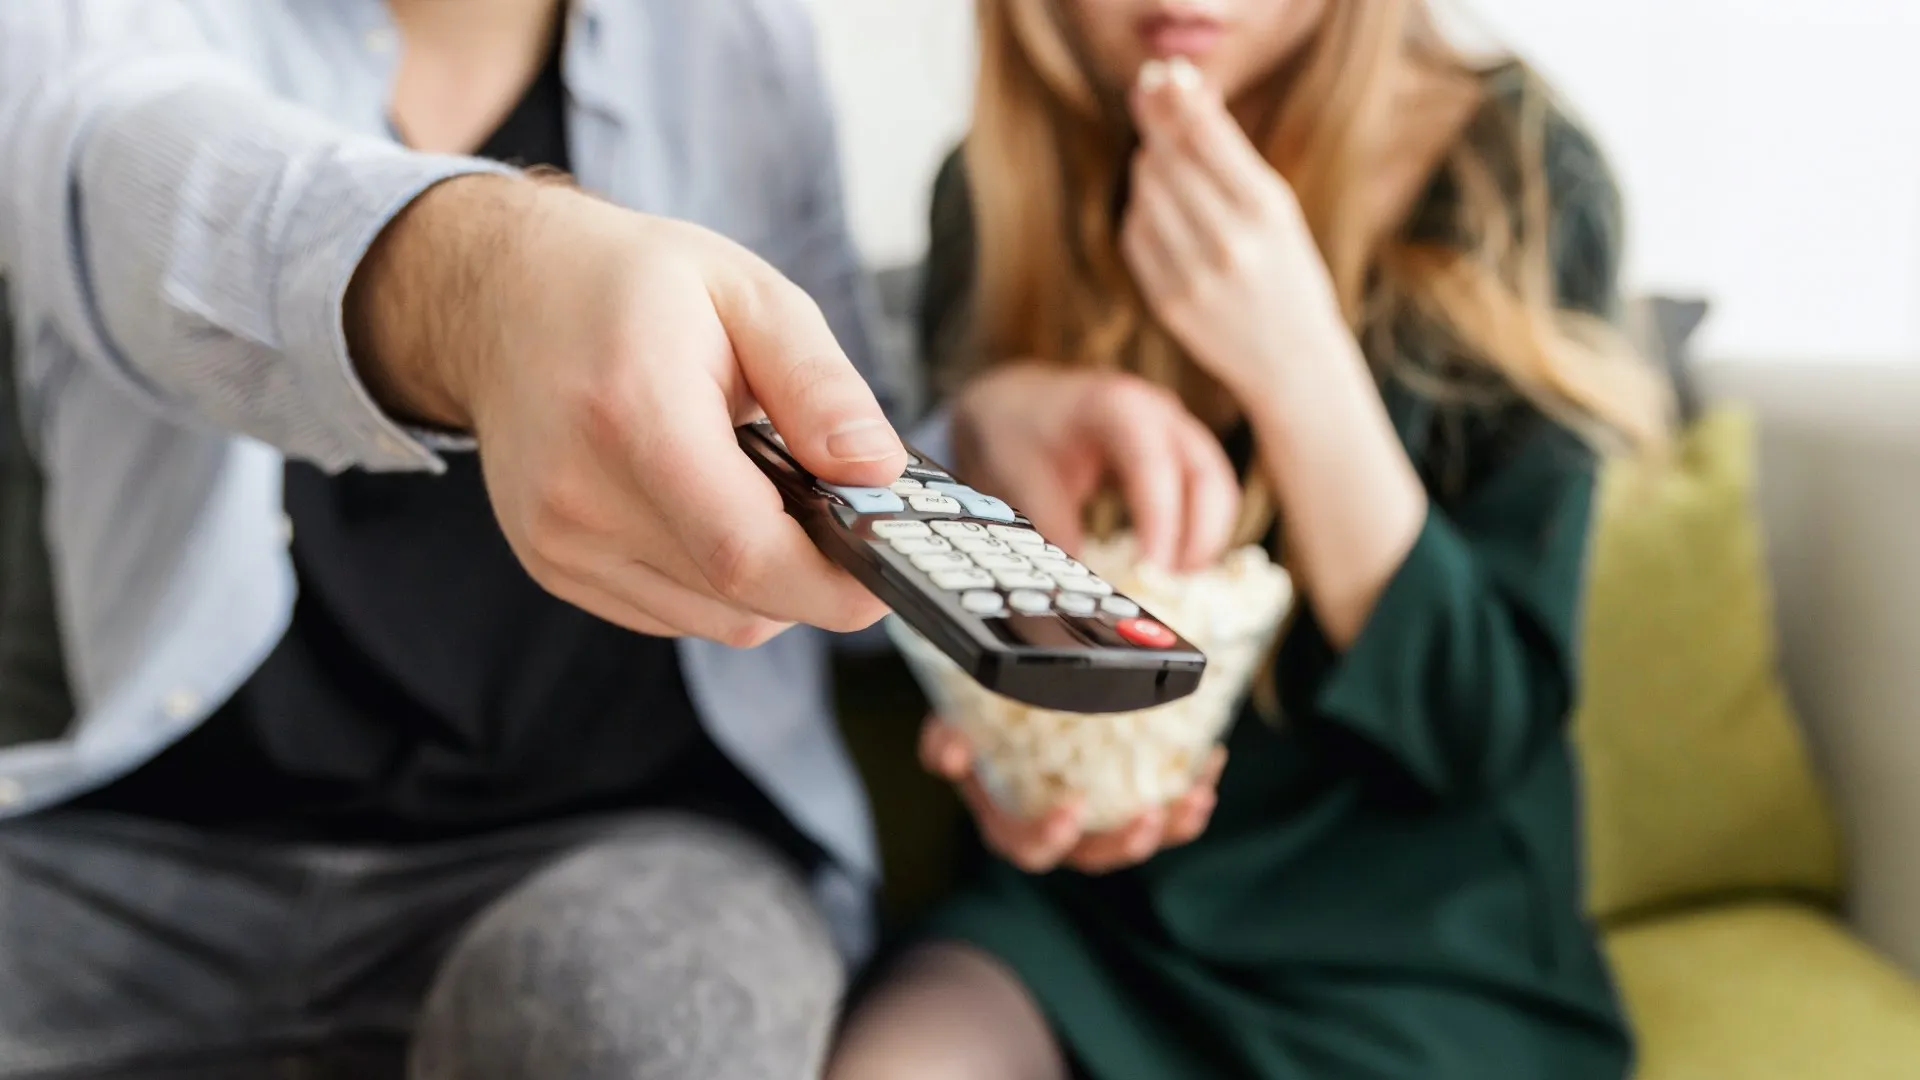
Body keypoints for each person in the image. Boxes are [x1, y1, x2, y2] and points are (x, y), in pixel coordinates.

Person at [0, 0, 992, 1076]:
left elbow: (836, 451)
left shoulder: (737, 37)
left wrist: (983, 441)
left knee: (642, 1027)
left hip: (633, 849)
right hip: (150, 855)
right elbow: (140, 169)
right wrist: (490, 291)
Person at [830, 1, 1672, 1078]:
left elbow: (1481, 726)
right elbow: (995, 656)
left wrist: (1301, 367)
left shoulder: (1517, 172)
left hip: (1417, 949)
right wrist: (1016, 758)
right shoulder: (994, 192)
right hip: (1086, 923)